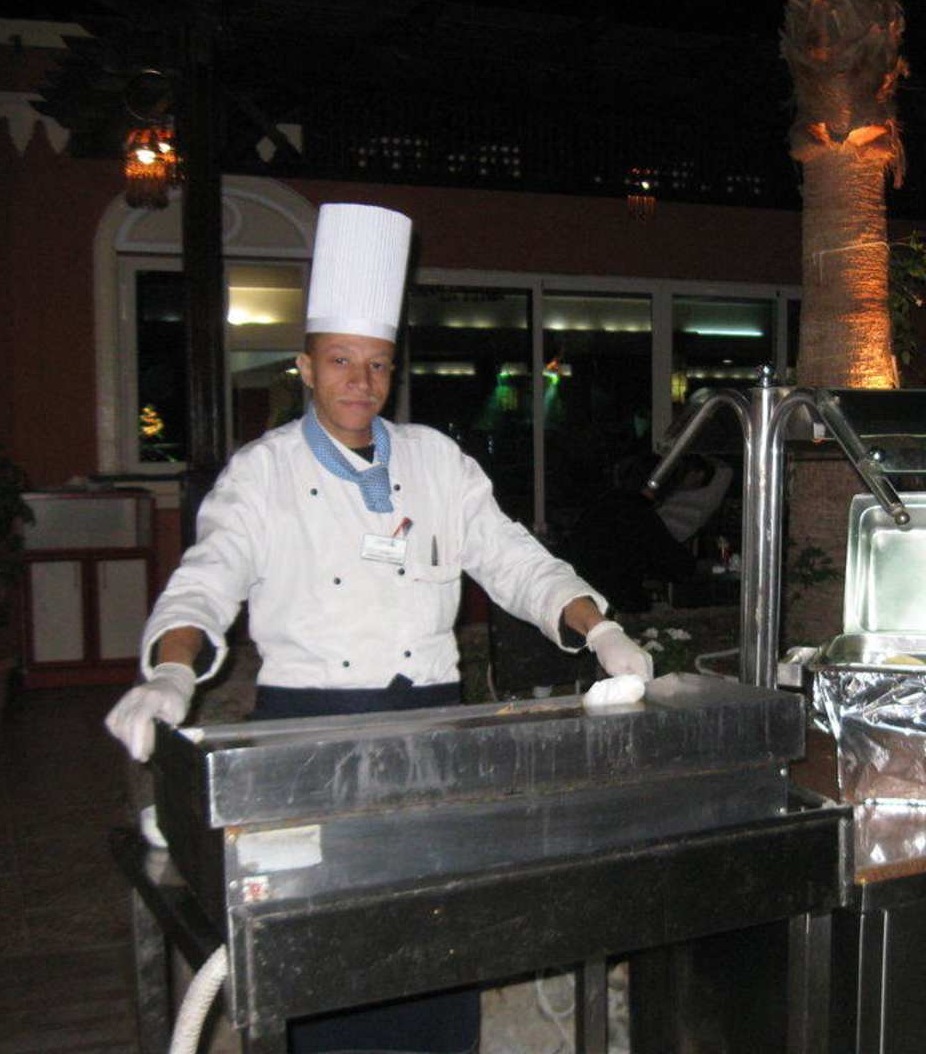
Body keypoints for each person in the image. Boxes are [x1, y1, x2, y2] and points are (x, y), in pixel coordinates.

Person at [105, 203, 651, 1054]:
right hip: (308, 734)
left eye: (377, 364)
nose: (360, 381)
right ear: (305, 367)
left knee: (438, 938)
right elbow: (203, 584)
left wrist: (600, 628)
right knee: (329, 957)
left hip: (431, 727)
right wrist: (172, 672)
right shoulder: (263, 473)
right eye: (340, 361)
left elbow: (516, 561)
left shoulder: (437, 461)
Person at [564, 452, 697, 613]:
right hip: (614, 605)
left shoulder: (603, 506)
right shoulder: (637, 513)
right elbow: (676, 564)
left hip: (584, 599)